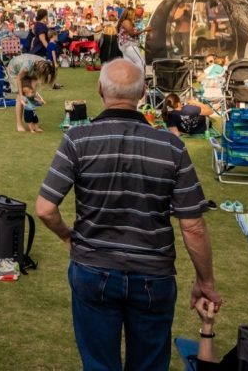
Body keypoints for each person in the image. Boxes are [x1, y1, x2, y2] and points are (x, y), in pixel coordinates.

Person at [36, 58, 220, 371]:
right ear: (142, 93)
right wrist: (206, 281)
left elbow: (45, 208)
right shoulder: (171, 147)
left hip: (94, 269)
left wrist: (68, 236)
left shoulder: (77, 140)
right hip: (153, 273)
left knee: (99, 364)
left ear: (99, 89)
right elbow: (193, 228)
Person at [7, 53, 55, 134]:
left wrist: (34, 93)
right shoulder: (27, 66)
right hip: (14, 71)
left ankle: (33, 123)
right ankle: (19, 124)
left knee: (30, 91)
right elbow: (19, 79)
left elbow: (35, 79)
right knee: (20, 97)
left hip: (30, 69)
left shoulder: (45, 64)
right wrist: (22, 95)